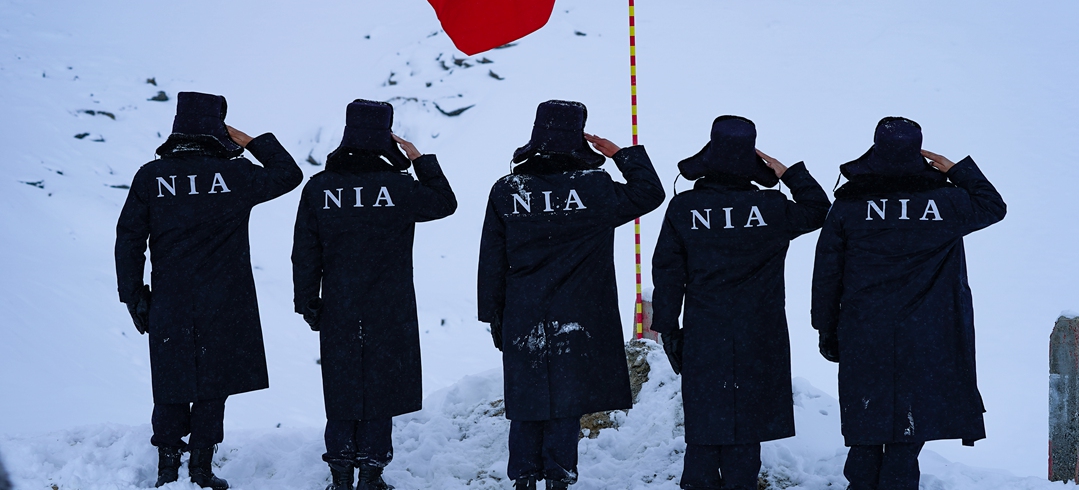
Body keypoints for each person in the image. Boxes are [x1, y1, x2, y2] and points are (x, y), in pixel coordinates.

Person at [115, 91, 303, 488]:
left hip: (170, 298)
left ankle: (168, 469)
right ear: (218, 130)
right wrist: (252, 142)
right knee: (213, 383)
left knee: (171, 382)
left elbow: (129, 239)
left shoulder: (151, 176)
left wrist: (133, 295)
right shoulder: (236, 176)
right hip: (224, 299)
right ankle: (200, 469)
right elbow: (289, 174)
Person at [477, 100, 665, 490]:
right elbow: (650, 193)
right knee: (566, 400)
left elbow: (491, 260)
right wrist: (621, 155)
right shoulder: (596, 188)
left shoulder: (507, 190)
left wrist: (494, 315)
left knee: (527, 400)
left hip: (523, 311)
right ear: (580, 138)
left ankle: (524, 478)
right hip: (579, 315)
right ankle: (558, 477)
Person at [811, 117, 1006, 490]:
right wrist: (958, 170)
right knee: (909, 424)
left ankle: (862, 483)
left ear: (874, 150)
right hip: (927, 332)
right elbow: (993, 206)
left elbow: (827, 273)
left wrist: (826, 328)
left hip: (864, 329)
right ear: (919, 152)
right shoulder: (948, 202)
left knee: (866, 421)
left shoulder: (849, 205)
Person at [650, 115, 831, 490]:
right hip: (760, 330)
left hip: (704, 329)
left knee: (705, 418)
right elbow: (818, 208)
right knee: (748, 422)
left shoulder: (684, 208)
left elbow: (667, 272)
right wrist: (789, 173)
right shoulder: (773, 208)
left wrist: (668, 329)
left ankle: (699, 483)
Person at [292, 99, 457, 490]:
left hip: (339, 301)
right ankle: (371, 472)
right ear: (387, 137)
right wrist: (420, 160)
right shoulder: (399, 187)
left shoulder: (320, 188)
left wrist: (307, 301)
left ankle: (340, 473)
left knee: (342, 384)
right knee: (381, 387)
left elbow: (305, 251)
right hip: (390, 304)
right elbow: (445, 203)